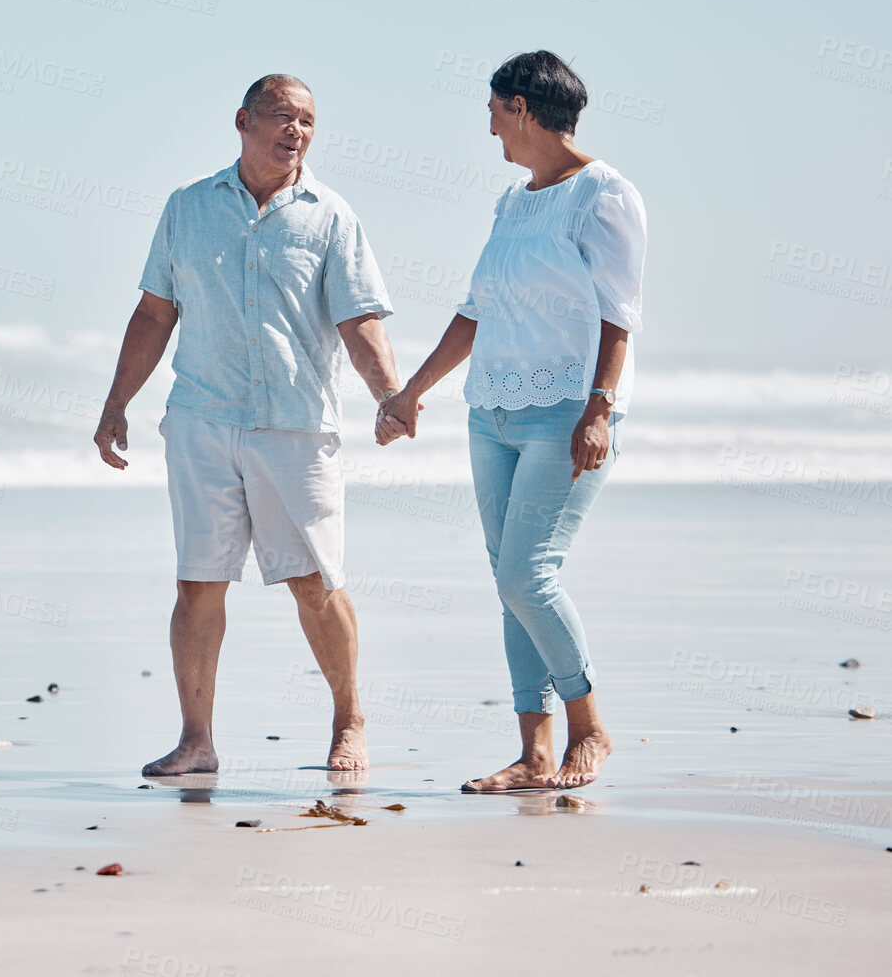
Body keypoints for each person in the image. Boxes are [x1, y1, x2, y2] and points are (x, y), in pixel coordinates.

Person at [95, 74, 403, 775]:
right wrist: (117, 403)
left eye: (308, 122)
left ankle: (348, 720)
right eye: (282, 116)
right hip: (203, 420)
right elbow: (153, 314)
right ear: (243, 120)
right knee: (198, 582)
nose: (296, 131)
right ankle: (196, 741)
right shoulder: (187, 208)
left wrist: (389, 392)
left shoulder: (330, 215)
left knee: (314, 583)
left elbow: (360, 320)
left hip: (295, 428)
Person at [379, 50, 646, 792]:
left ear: (523, 108)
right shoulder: (513, 201)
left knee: (531, 575)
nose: (489, 123)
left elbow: (618, 315)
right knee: (508, 580)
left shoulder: (605, 194)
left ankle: (589, 730)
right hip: (490, 413)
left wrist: (600, 408)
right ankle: (533, 752)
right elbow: (476, 311)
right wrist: (412, 393)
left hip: (563, 414)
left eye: (495, 108)